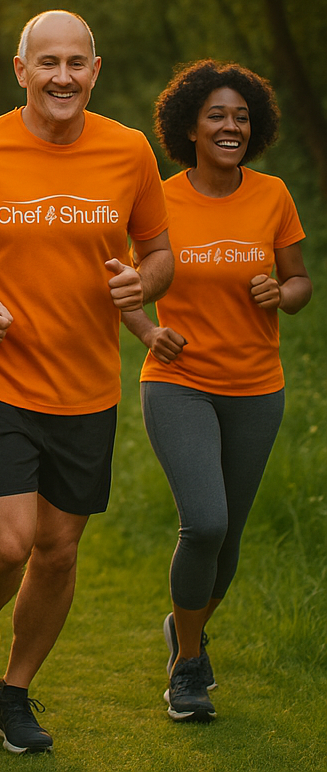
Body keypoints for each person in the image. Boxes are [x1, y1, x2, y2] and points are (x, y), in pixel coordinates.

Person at [0, 10, 173, 754]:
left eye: (76, 63)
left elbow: (158, 252)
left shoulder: (128, 152)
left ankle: (15, 691)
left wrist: (142, 284)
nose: (63, 76)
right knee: (10, 541)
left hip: (88, 385)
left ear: (96, 70)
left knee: (58, 550)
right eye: (47, 62)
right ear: (21, 71)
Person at [120, 60, 311, 723]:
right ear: (190, 126)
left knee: (227, 543)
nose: (230, 126)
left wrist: (279, 293)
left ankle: (187, 634)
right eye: (216, 115)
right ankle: (189, 670)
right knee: (205, 522)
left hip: (258, 388)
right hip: (179, 385)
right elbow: (122, 285)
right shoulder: (159, 199)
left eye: (241, 116)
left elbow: (300, 283)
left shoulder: (273, 195)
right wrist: (147, 331)